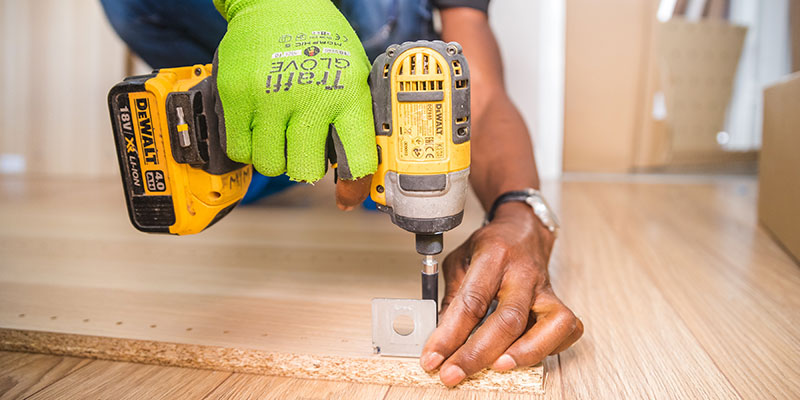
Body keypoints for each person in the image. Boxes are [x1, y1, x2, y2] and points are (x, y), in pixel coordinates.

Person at [100, 0, 583, 387]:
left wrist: (520, 212)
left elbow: (481, 88)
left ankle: (315, 136)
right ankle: (257, 113)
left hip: (377, 51)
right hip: (240, 44)